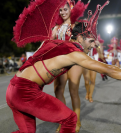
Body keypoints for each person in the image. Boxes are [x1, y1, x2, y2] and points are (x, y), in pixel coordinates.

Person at [8, 0, 121, 132]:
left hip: (13, 87)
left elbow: (35, 56)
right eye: (91, 41)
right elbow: (109, 70)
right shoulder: (75, 53)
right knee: (70, 119)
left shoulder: (50, 42)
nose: (95, 45)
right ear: (80, 38)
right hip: (25, 90)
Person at [50, 1, 90, 132]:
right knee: (58, 90)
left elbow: (84, 43)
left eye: (65, 10)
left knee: (73, 91)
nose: (62, 13)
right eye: (60, 10)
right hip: (60, 60)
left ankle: (77, 122)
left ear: (71, 9)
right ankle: (64, 120)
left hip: (74, 61)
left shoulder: (76, 26)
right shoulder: (57, 27)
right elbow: (49, 42)